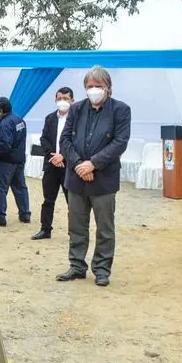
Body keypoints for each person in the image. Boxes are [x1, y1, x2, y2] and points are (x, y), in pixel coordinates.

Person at [56, 65, 131, 287]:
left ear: (108, 87)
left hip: (104, 179)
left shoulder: (120, 110)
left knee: (105, 228)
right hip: (76, 178)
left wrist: (93, 164)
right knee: (76, 226)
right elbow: (65, 140)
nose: (94, 89)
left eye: (98, 85)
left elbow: (120, 142)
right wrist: (80, 164)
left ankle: (102, 269)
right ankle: (77, 265)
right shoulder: (76, 109)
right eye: (90, 86)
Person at [32, 87, 74, 240]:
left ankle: (74, 231)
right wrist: (53, 156)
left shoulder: (77, 119)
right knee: (48, 200)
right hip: (51, 164)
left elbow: (76, 141)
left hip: (69, 166)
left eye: (65, 98)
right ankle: (45, 229)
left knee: (72, 201)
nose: (62, 101)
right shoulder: (50, 118)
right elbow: (44, 139)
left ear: (72, 100)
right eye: (59, 98)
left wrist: (63, 156)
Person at [0, 96, 31, 227]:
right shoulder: (19, 119)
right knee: (20, 188)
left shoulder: (5, 124)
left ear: (0, 110)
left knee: (0, 188)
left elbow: (4, 145)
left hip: (7, 161)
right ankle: (25, 214)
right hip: (19, 159)